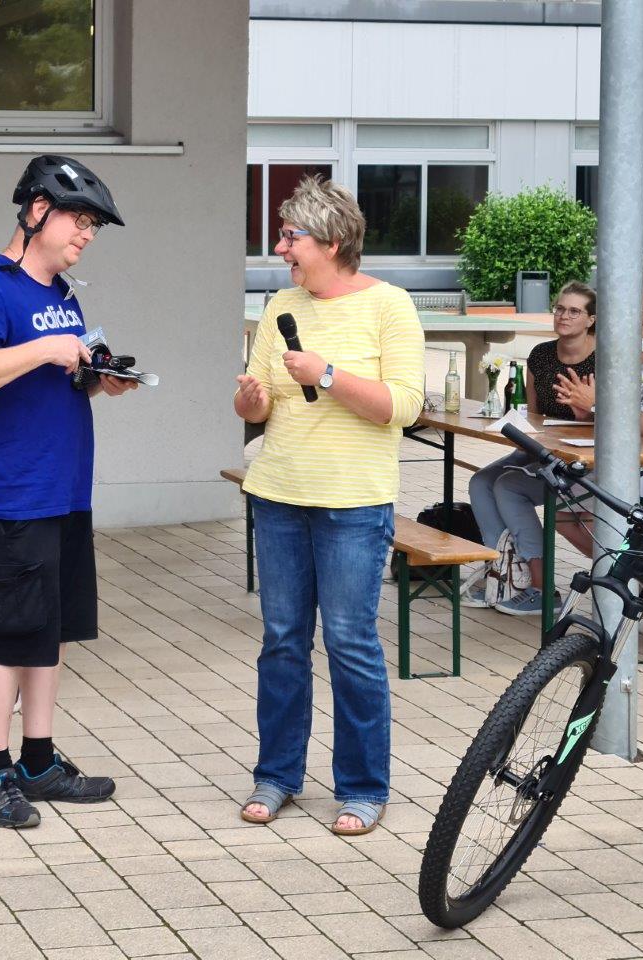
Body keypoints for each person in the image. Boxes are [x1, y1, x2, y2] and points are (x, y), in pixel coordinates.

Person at [0, 155, 137, 829]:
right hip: (8, 496)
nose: (87, 234)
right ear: (36, 212)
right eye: (79, 220)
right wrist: (46, 350)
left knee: (49, 632)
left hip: (63, 492)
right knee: (7, 635)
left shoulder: (61, 294)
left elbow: (53, 378)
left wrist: (98, 379)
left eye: (93, 226)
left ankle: (38, 760)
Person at [235, 175, 424, 836]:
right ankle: (277, 776)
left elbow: (404, 406)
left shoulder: (390, 306)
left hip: (353, 504)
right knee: (282, 642)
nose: (281, 248)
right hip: (279, 495)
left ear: (333, 242)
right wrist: (251, 402)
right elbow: (256, 404)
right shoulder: (281, 305)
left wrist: (329, 376)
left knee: (349, 643)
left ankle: (363, 787)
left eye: (291, 236)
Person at [464, 281, 596, 615]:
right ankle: (505, 575)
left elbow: (617, 421)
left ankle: (541, 586)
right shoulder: (541, 354)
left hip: (583, 457)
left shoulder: (604, 358)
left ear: (591, 320)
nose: (564, 316)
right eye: (560, 308)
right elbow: (532, 413)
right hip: (543, 448)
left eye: (574, 311)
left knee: (508, 487)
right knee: (480, 482)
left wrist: (589, 412)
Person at [553, 276, 643, 557]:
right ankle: (629, 573)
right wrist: (585, 413)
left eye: (641, 310)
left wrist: (597, 405)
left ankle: (633, 573)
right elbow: (610, 420)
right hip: (624, 463)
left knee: (584, 505)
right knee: (560, 505)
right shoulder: (623, 359)